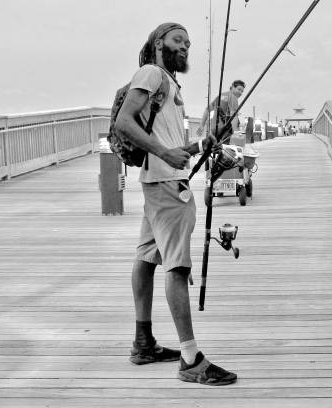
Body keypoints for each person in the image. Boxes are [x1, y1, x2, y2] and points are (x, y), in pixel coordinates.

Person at [115, 22, 237, 386]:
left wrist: (201, 145)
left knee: (147, 258)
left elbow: (167, 144)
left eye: (188, 42)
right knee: (177, 268)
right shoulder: (152, 73)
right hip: (168, 187)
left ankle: (143, 343)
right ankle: (191, 359)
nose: (184, 46)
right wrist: (165, 152)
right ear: (157, 43)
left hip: (158, 182)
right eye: (176, 39)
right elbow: (125, 122)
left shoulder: (165, 81)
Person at [197, 80, 245, 144]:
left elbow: (207, 109)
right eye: (239, 89)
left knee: (216, 150)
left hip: (214, 130)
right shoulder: (233, 97)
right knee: (226, 151)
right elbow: (234, 115)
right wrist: (236, 132)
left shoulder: (220, 96)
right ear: (232, 87)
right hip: (224, 132)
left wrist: (201, 125)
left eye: (242, 91)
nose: (240, 93)